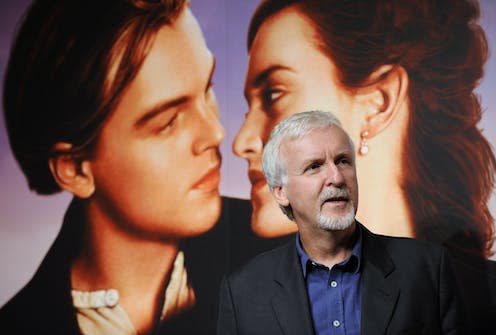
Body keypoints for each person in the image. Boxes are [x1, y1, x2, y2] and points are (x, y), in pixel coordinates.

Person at [0, 0, 291, 333]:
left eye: (207, 88)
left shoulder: (292, 258)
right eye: (168, 122)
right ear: (75, 169)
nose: (216, 132)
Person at [233, 0, 496, 332]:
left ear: (379, 102)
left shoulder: (483, 299)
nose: (240, 141)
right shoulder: (243, 291)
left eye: (273, 94)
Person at [218, 110, 467, 334]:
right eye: (314, 167)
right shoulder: (243, 291)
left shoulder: (427, 269)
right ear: (281, 192)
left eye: (343, 161)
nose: (336, 177)